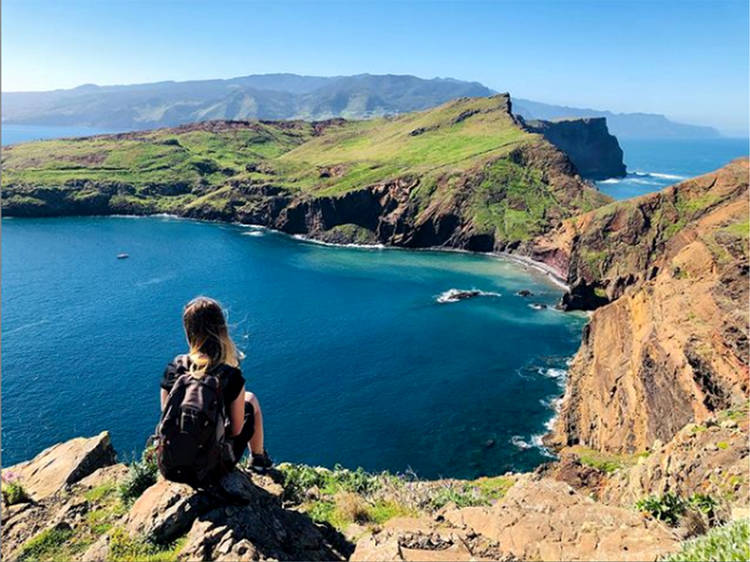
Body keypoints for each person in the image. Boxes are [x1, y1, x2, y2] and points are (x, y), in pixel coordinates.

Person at [160, 296, 272, 474]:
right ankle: (259, 460)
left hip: (170, 466)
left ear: (188, 331)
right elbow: (236, 430)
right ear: (221, 330)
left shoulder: (174, 367)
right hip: (211, 469)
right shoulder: (230, 375)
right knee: (251, 400)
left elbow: (166, 414)